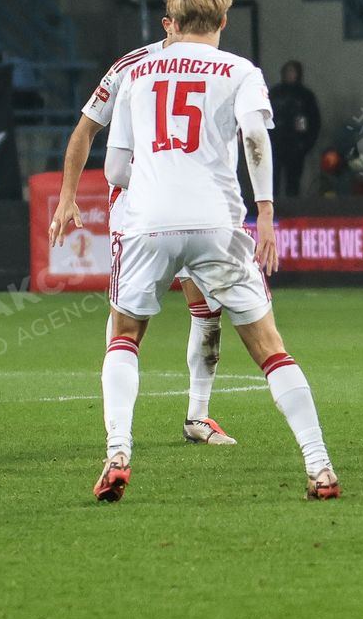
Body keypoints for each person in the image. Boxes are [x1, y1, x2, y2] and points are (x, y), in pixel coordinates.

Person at [95, 0, 339, 500]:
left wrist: (158, 184)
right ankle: (319, 465)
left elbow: (114, 169)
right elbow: (255, 137)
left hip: (148, 224)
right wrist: (266, 211)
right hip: (218, 224)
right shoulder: (239, 71)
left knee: (124, 337)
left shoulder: (136, 74)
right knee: (270, 349)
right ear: (225, 20)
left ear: (172, 20)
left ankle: (118, 452)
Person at [49, 35, 240, 448]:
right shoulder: (131, 67)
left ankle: (198, 416)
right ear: (168, 22)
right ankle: (118, 430)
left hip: (192, 207)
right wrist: (67, 195)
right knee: (128, 323)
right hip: (138, 209)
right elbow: (87, 130)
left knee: (208, 309)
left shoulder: (213, 65)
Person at [269, 59, 320, 197]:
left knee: (293, 181)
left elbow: (313, 120)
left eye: (292, 71)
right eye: (287, 71)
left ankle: (292, 205)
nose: (289, 74)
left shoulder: (305, 96)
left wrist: (306, 143)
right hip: (276, 143)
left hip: (296, 145)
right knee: (273, 180)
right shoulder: (275, 94)